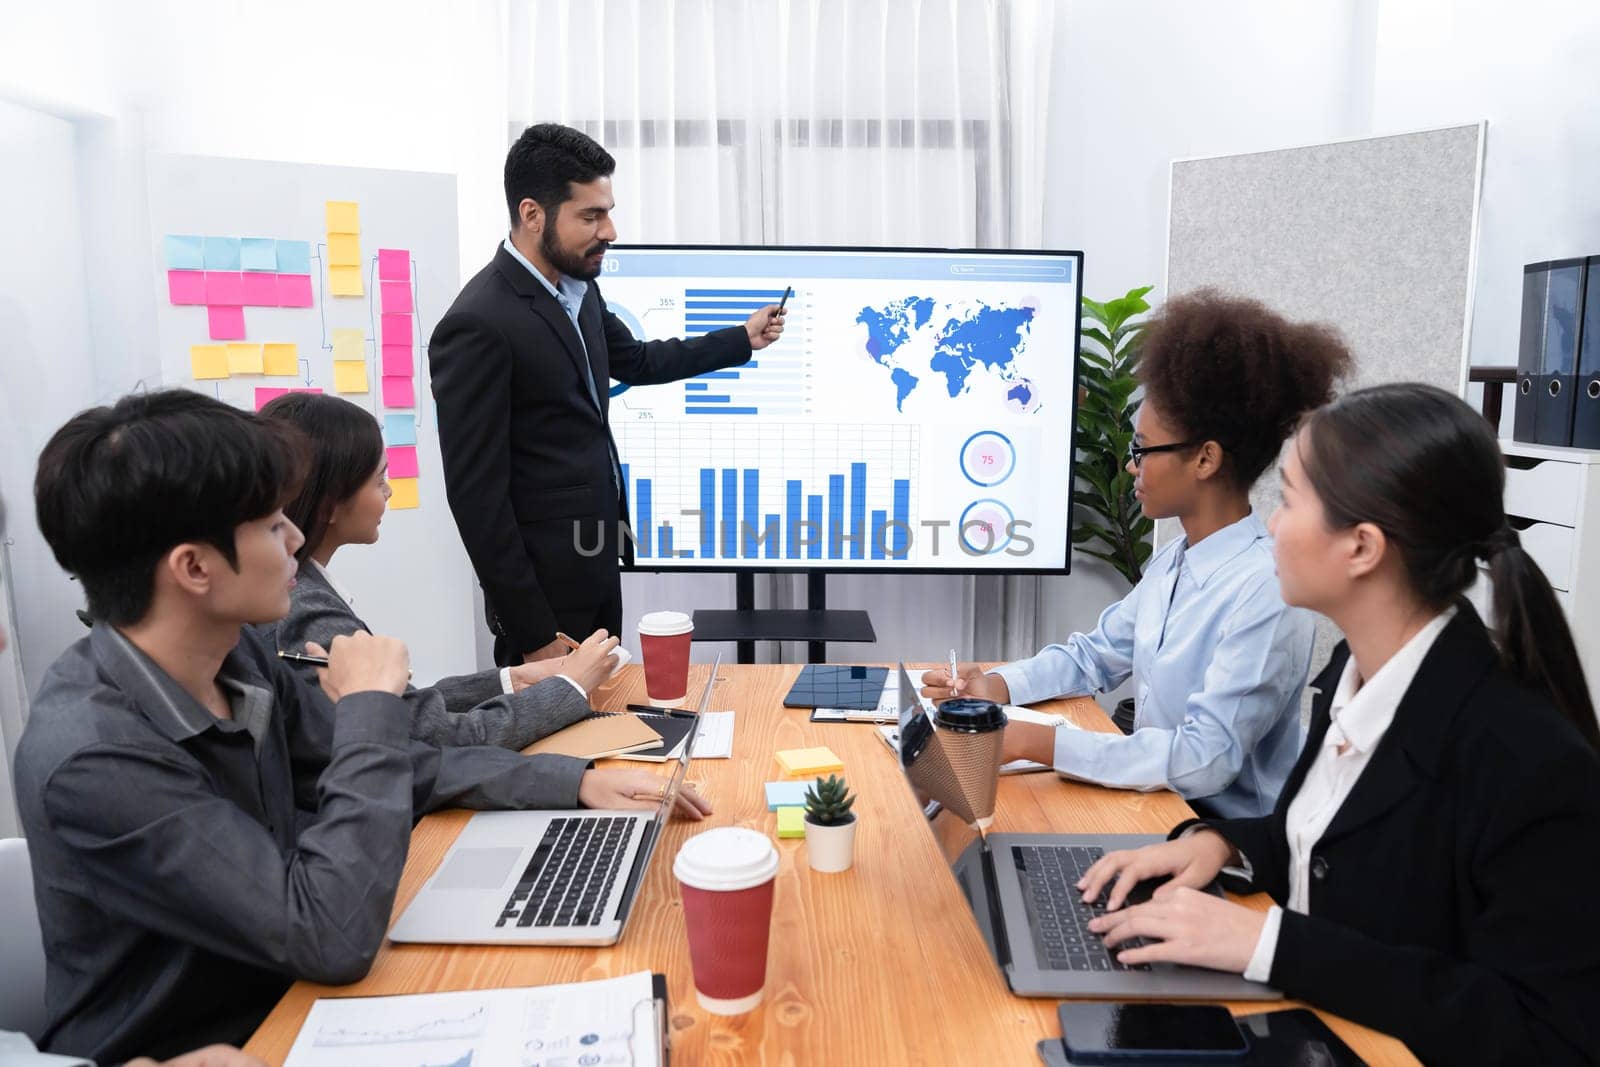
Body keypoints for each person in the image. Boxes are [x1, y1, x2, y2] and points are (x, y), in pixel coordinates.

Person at [13, 391, 709, 1065]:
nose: (293, 537)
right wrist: (370, 701)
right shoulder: (93, 754)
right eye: (268, 523)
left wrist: (574, 779)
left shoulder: (236, 653)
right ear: (193, 567)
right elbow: (329, 933)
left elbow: (397, 762)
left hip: (294, 998)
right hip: (214, 1039)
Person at [1078, 384, 1600, 1064]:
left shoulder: (1525, 759)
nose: (1270, 525)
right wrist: (1220, 846)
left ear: (1361, 547)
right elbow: (1313, 835)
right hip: (1305, 1030)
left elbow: (1547, 1035)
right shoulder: (1354, 673)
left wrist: (1268, 941)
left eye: (1289, 500)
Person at [923, 291, 1350, 818]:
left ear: (1205, 459)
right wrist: (995, 686)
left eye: (1141, 450)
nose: (1131, 468)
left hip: (1222, 842)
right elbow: (1093, 654)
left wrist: (1034, 741)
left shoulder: (1266, 589)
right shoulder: (1175, 561)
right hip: (1154, 810)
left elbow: (1204, 759)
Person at [430, 123, 786, 667]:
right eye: (591, 216)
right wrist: (533, 631)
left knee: (608, 730)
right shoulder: (478, 323)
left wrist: (740, 338)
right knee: (557, 747)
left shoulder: (579, 291)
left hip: (593, 565)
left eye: (609, 211)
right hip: (544, 602)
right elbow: (477, 500)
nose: (611, 230)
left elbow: (639, 359)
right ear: (532, 214)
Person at [257, 392, 617, 750]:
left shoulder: (303, 591)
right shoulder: (306, 613)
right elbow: (434, 737)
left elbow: (404, 709)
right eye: (379, 479)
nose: (389, 491)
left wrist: (509, 680)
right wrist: (569, 686)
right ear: (330, 503)